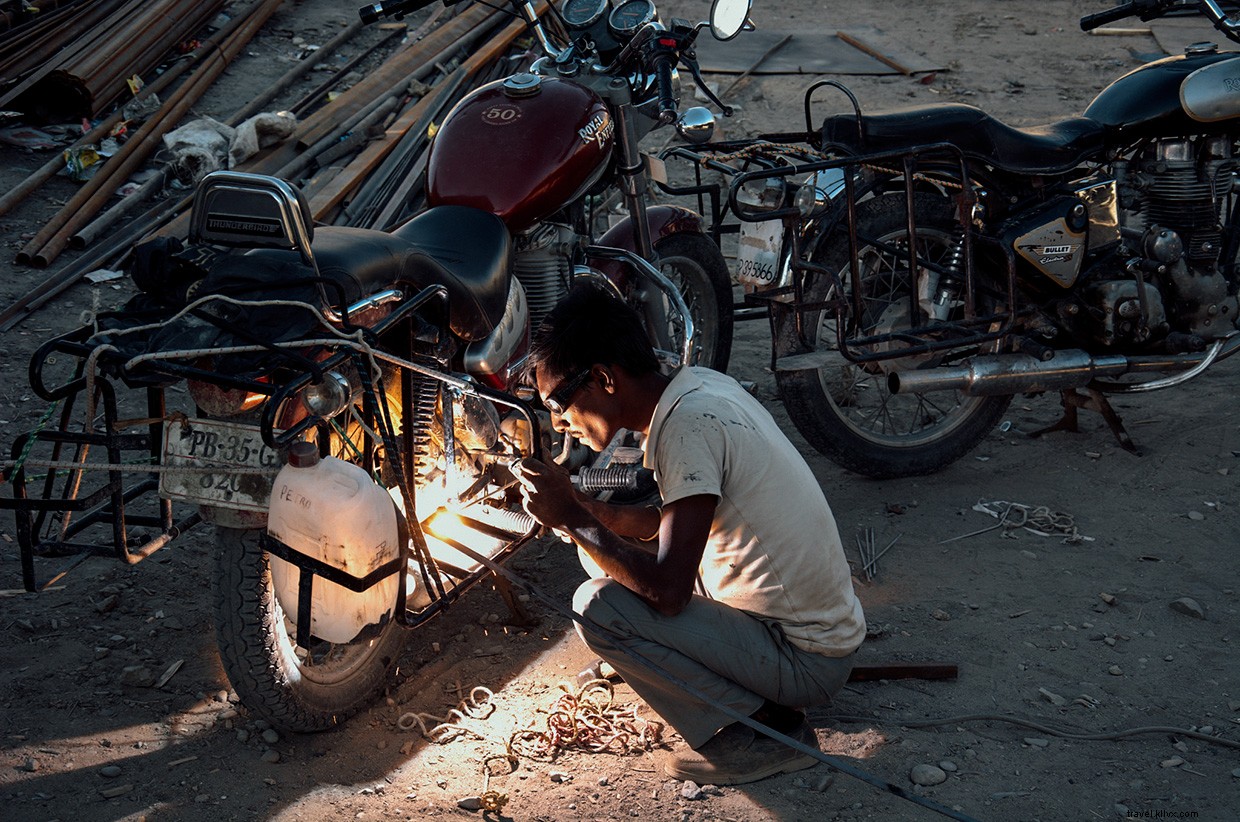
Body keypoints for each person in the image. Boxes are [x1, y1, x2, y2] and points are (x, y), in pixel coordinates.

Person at [513, 283, 865, 786]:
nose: (560, 423)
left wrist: (571, 516)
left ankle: (764, 735)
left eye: (558, 402)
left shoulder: (687, 428)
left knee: (597, 606)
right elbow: (677, 526)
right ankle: (712, 685)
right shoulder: (698, 388)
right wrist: (594, 516)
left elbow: (669, 592)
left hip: (806, 661)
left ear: (604, 378)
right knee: (602, 555)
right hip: (819, 636)